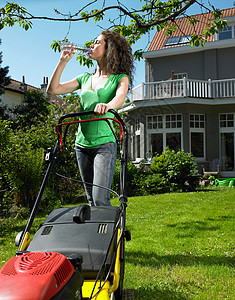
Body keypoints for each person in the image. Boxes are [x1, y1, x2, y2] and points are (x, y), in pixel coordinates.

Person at [47, 29, 134, 206]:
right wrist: (62, 62)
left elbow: (120, 97)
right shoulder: (84, 78)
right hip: (82, 145)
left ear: (109, 49)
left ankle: (110, 232)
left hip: (104, 144)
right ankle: (96, 232)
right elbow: (53, 89)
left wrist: (108, 105)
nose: (91, 45)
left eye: (97, 42)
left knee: (100, 198)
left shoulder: (119, 78)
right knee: (90, 199)